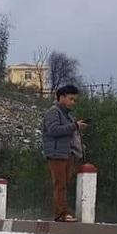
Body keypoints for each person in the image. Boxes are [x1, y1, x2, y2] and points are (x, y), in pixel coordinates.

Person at [42, 85, 88, 222]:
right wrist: (75, 126)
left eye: (75, 100)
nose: (73, 102)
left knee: (64, 184)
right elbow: (53, 130)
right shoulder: (53, 112)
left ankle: (63, 211)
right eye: (70, 99)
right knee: (60, 184)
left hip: (67, 153)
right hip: (56, 153)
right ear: (61, 97)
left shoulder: (67, 114)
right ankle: (61, 214)